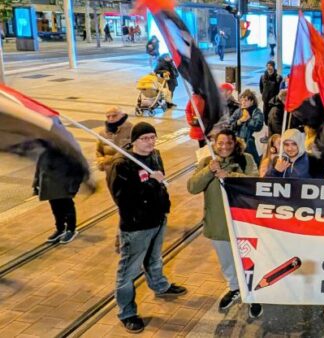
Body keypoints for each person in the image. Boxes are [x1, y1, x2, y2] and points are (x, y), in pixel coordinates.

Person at [107, 122, 187, 333]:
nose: (150, 142)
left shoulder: (155, 154)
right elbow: (122, 199)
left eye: (153, 137)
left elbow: (160, 183)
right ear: (134, 141)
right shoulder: (122, 164)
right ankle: (127, 312)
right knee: (128, 271)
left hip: (158, 219)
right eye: (145, 138)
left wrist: (163, 204)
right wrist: (150, 183)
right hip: (136, 226)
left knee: (154, 258)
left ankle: (160, 285)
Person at [187, 130, 261, 318]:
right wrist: (209, 170)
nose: (224, 147)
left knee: (249, 262)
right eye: (220, 143)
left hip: (243, 223)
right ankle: (234, 288)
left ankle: (253, 294)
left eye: (229, 143)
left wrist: (228, 175)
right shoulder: (206, 162)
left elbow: (254, 184)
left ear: (235, 143)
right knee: (227, 262)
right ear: (214, 144)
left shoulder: (246, 159)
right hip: (218, 223)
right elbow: (192, 187)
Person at [33, 148, 84, 244]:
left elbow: (78, 170)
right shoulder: (44, 151)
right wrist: (36, 184)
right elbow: (39, 169)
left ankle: (71, 229)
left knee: (67, 208)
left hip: (64, 186)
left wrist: (73, 187)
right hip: (49, 186)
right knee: (55, 209)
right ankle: (60, 228)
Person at [229, 89, 264, 163]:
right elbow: (229, 126)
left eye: (246, 100)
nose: (243, 102)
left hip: (250, 145)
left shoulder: (257, 112)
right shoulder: (238, 111)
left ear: (252, 101)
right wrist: (239, 121)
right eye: (242, 100)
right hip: (237, 143)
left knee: (253, 163)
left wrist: (248, 120)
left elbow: (258, 126)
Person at [96, 106, 133, 172]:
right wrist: (101, 163)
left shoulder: (132, 129)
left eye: (114, 116)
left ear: (122, 115)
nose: (111, 119)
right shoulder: (102, 133)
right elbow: (99, 151)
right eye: (108, 116)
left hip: (128, 170)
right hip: (110, 171)